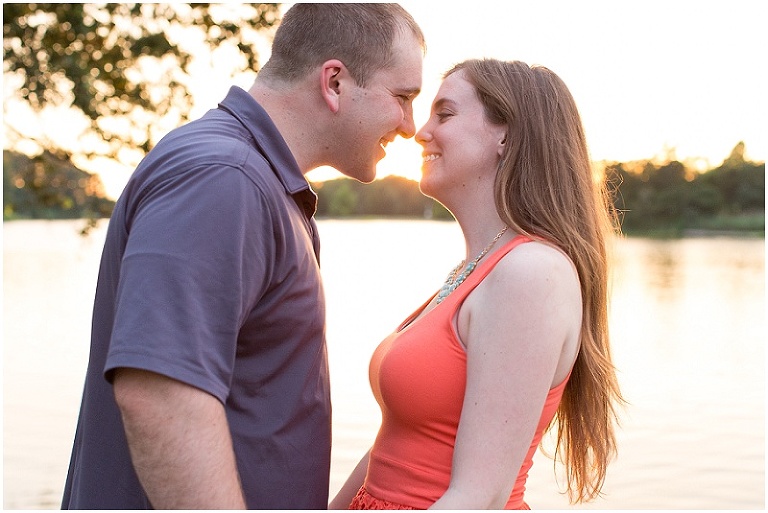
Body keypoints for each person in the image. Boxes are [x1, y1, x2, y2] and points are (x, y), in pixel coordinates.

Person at [61, 4, 424, 509]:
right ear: (335, 82)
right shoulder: (224, 177)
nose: (410, 125)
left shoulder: (258, 183)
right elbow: (160, 393)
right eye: (403, 97)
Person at [329, 58, 625, 510]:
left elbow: (479, 497)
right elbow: (395, 445)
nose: (419, 131)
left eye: (444, 114)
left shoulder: (531, 273)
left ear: (506, 135)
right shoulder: (472, 271)